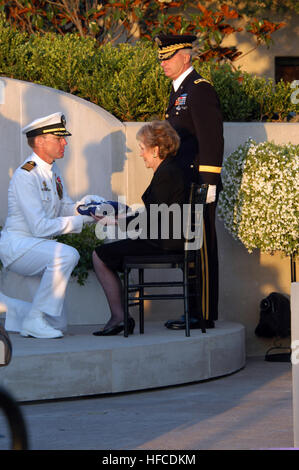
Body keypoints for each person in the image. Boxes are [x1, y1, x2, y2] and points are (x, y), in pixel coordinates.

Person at [0, 112, 97, 339]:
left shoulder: (53, 171)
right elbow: (40, 228)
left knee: (58, 324)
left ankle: (13, 308)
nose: (65, 142)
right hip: (18, 246)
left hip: (39, 247)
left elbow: (64, 207)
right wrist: (82, 220)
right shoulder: (27, 174)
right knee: (66, 255)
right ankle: (33, 319)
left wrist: (90, 208)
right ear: (40, 141)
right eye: (58, 138)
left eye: (64, 138)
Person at [92, 120, 187, 336]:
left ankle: (119, 318)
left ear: (155, 150)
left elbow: (155, 218)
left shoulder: (167, 174)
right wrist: (118, 217)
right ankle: (120, 317)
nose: (141, 154)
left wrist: (115, 221)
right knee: (108, 253)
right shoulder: (169, 171)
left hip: (163, 243)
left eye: (143, 149)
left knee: (99, 255)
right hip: (163, 238)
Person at [156, 34, 224, 330]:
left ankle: (203, 313)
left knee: (202, 249)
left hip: (199, 183)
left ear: (186, 56)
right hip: (183, 183)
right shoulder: (177, 92)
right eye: (161, 58)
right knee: (190, 248)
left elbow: (211, 138)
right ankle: (193, 309)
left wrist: (208, 183)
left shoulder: (199, 89)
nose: (163, 63)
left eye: (169, 57)